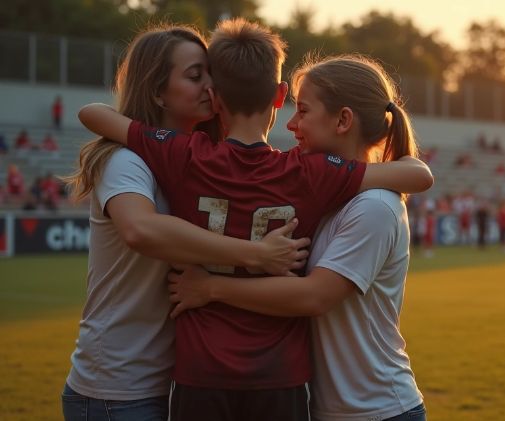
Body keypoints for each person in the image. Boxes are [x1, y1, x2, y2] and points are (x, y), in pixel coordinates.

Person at [79, 20, 432, 421]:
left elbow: (93, 114)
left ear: (215, 98)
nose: (296, 122)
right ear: (280, 96)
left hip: (201, 370)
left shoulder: (184, 154)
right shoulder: (307, 172)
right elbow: (418, 176)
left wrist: (211, 286)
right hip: (281, 373)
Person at [61, 24, 311, 421]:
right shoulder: (126, 160)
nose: (210, 86)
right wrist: (256, 255)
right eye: (196, 76)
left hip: (173, 379)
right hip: (120, 387)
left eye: (212, 74)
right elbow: (141, 230)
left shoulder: (202, 160)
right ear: (158, 91)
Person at [168, 53, 429, 421]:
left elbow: (315, 295)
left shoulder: (375, 207)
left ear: (343, 120)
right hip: (338, 409)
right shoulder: (324, 192)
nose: (291, 124)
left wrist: (210, 288)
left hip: (376, 410)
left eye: (303, 111)